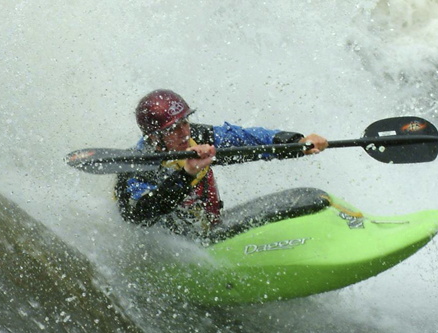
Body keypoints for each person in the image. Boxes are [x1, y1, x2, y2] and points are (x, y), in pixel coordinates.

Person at [114, 89, 328, 238]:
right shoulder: (137, 167)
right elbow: (142, 213)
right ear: (153, 137)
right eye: (173, 129)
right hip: (165, 247)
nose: (184, 132)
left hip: (206, 228)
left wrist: (296, 143)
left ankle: (210, 231)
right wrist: (186, 173)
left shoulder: (199, 137)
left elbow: (244, 139)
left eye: (185, 122)